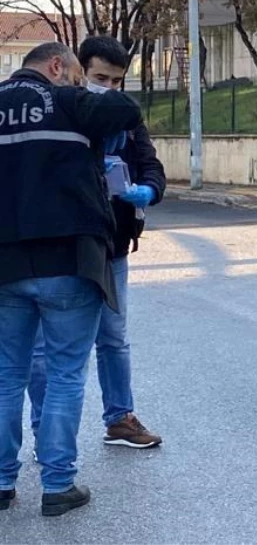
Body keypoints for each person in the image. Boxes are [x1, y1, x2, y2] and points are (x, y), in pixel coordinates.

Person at [0, 42, 143, 516]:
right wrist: (85, 96)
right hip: (70, 258)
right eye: (80, 75)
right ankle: (58, 486)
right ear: (57, 67)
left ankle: (1, 483)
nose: (85, 84)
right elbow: (126, 107)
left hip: (5, 264)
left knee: (6, 375)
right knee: (64, 374)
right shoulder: (66, 101)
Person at [27, 36, 166, 452]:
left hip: (113, 244)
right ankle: (44, 432)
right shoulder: (59, 110)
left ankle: (120, 418)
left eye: (117, 81)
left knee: (113, 337)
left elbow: (152, 165)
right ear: (77, 71)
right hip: (62, 245)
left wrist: (147, 190)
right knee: (40, 350)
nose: (109, 88)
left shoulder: (125, 119)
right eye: (100, 77)